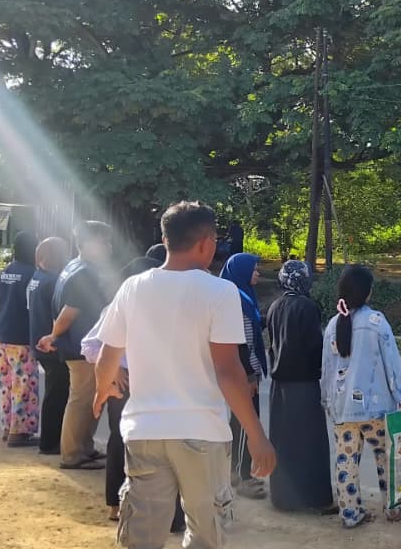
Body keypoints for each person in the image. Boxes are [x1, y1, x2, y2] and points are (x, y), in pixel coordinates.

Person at [92, 201, 275, 549]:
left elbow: (108, 355)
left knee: (142, 535)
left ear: (165, 239)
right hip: (200, 431)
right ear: (207, 243)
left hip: (144, 431)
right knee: (205, 532)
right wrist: (256, 434)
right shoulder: (220, 292)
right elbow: (228, 370)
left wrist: (102, 390)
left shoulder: (132, 287)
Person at [84, 244, 186, 528]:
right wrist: (114, 367)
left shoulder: (168, 310)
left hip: (157, 383)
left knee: (154, 447)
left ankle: (162, 513)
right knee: (124, 442)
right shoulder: (119, 307)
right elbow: (90, 345)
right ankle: (116, 504)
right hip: (126, 386)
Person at [320, 265, 401, 528]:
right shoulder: (376, 322)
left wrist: (327, 401)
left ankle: (350, 514)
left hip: (342, 409)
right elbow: (392, 363)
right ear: (366, 292)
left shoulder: (332, 325)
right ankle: (392, 508)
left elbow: (327, 369)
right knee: (386, 458)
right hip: (376, 409)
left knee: (346, 461)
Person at [38, 221, 115, 470]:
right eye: (103, 241)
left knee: (89, 399)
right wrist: (53, 335)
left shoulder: (74, 266)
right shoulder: (84, 274)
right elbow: (68, 313)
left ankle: (85, 448)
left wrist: (54, 335)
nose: (108, 246)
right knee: (81, 401)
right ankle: (72, 454)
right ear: (89, 243)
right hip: (81, 348)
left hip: (79, 346)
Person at [265, 260, 335, 514]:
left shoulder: (274, 306)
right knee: (310, 444)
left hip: (279, 386)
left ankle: (283, 498)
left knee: (284, 443)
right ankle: (314, 498)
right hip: (304, 384)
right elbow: (315, 346)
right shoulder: (307, 306)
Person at [218, 253, 269, 500]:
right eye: (254, 269)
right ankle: (242, 476)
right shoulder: (235, 300)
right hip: (243, 374)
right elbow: (239, 343)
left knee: (241, 423)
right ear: (241, 272)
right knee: (246, 423)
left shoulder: (244, 295)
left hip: (246, 370)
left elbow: (253, 328)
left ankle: (234, 471)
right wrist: (248, 376)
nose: (257, 273)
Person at [0, 231, 40, 447]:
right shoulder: (32, 274)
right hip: (22, 338)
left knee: (7, 384)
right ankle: (19, 432)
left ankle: (7, 427)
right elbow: (33, 307)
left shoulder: (5, 272)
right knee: (24, 385)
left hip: (2, 336)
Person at [28, 237, 70, 455]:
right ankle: (51, 442)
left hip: (39, 341)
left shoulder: (37, 276)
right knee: (58, 395)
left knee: (54, 393)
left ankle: (50, 441)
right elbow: (59, 315)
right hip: (52, 344)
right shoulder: (54, 280)